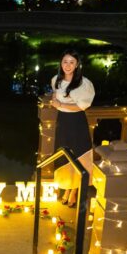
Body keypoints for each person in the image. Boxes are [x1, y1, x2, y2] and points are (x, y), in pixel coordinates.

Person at [50, 49, 95, 208]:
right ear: (61, 63)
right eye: (65, 62)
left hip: (76, 123)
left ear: (77, 65)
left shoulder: (84, 83)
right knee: (64, 154)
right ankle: (68, 187)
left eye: (71, 62)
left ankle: (74, 191)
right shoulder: (56, 79)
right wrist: (55, 100)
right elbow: (55, 94)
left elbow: (82, 106)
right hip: (62, 122)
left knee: (78, 154)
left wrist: (61, 104)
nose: (67, 65)